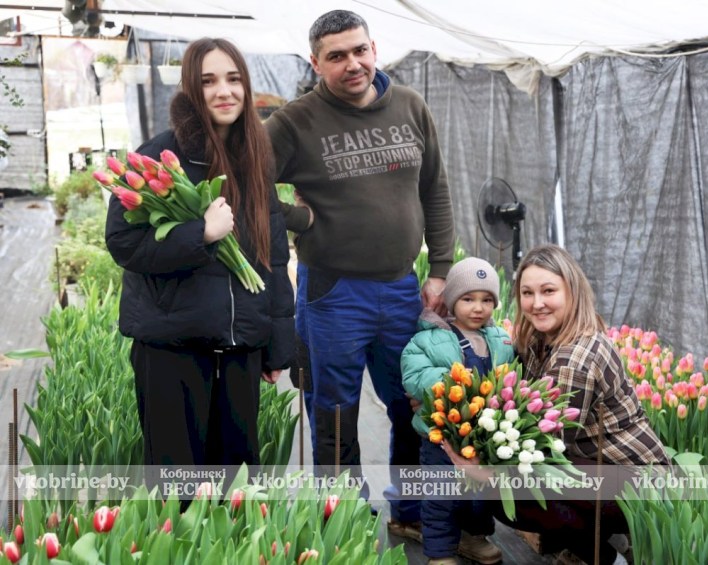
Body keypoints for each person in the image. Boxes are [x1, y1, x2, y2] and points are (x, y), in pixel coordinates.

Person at [264, 10, 454, 535]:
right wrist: (300, 217)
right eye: (337, 56)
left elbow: (434, 188)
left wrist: (439, 268)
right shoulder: (293, 123)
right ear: (315, 63)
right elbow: (243, 186)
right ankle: (343, 517)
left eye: (359, 50)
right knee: (334, 410)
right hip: (332, 292)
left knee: (412, 403)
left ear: (375, 47)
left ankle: (412, 515)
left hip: (401, 287)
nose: (353, 64)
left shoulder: (411, 107)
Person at [105, 38, 295, 480]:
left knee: (237, 486)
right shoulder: (156, 157)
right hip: (173, 350)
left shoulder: (253, 158)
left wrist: (276, 347)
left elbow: (274, 254)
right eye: (208, 81)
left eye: (233, 79)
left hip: (238, 351)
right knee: (178, 487)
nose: (223, 91)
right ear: (192, 89)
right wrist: (200, 234)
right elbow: (123, 244)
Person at [446, 244, 668, 565]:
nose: (536, 304)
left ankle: (606, 557)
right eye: (527, 292)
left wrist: (484, 469)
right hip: (603, 467)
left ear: (572, 292)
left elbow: (543, 449)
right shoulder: (542, 339)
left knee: (511, 493)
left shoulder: (574, 360)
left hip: (640, 483)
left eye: (548, 291)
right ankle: (592, 538)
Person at [401, 258, 514, 565]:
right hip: (442, 437)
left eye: (486, 300)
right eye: (468, 299)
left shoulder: (501, 340)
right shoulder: (429, 338)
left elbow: (512, 376)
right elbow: (414, 375)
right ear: (452, 301)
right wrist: (455, 384)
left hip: (482, 438)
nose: (478, 307)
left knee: (479, 496)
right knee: (441, 496)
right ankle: (440, 553)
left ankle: (474, 537)